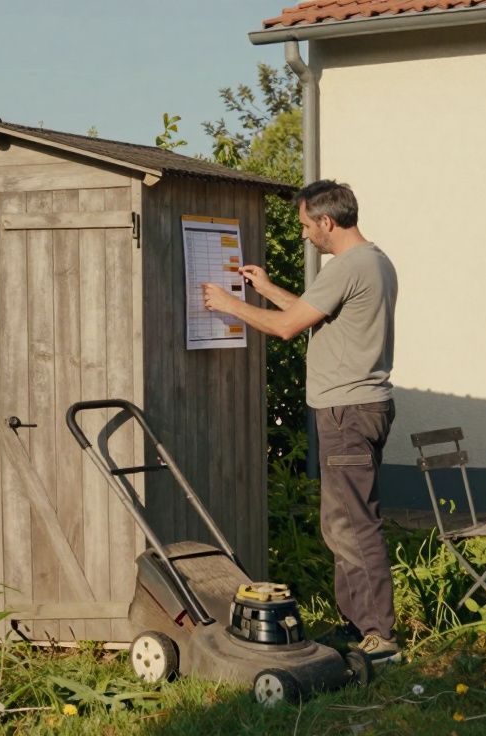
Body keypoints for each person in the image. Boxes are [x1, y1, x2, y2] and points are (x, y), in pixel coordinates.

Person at [201, 180, 401, 663]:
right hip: (363, 405)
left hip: (346, 411)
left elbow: (289, 327)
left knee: (354, 525)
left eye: (307, 225)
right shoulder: (374, 260)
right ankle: (358, 627)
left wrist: (229, 304)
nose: (306, 235)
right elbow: (316, 315)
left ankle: (379, 638)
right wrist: (266, 288)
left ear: (327, 222)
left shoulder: (347, 266)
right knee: (343, 524)